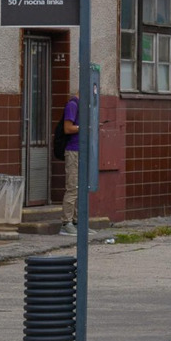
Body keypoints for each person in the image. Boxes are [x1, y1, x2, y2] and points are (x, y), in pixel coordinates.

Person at [58, 93, 94, 236]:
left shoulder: (85, 106)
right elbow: (68, 128)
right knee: (73, 187)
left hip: (83, 150)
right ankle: (66, 223)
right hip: (73, 151)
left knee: (81, 189)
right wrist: (85, 127)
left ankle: (79, 222)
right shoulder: (73, 105)